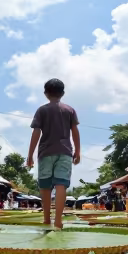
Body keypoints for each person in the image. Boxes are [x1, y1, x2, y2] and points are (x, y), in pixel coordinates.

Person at [26, 78, 80, 229]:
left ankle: (46, 218)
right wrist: (78, 151)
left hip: (46, 152)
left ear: (46, 93)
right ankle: (58, 220)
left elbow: (36, 132)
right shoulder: (69, 110)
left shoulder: (42, 110)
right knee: (61, 184)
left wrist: (30, 155)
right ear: (62, 93)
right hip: (65, 152)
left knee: (45, 186)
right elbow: (75, 131)